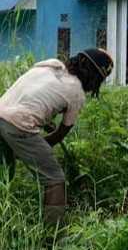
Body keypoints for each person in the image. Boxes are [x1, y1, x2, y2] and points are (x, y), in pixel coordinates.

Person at [0, 49, 113, 224]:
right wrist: (31, 150)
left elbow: (34, 95)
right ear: (94, 77)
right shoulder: (77, 93)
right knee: (54, 179)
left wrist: (42, 124)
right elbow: (59, 135)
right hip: (18, 124)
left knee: (4, 172)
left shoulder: (50, 65)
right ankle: (53, 238)